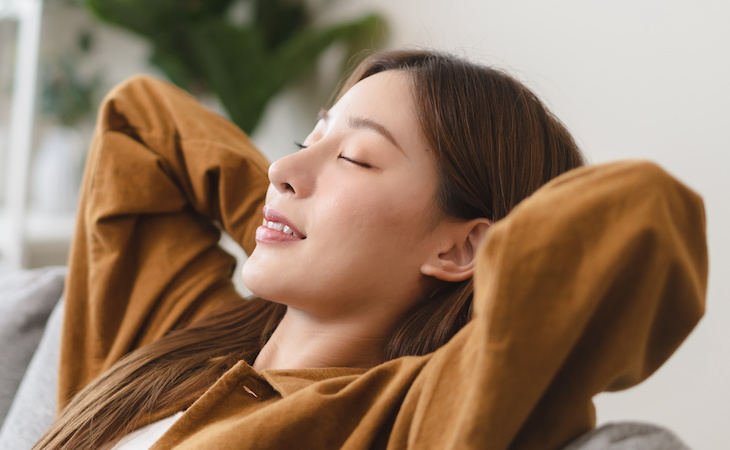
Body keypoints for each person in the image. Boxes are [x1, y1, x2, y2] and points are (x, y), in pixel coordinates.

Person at [35, 50, 707, 449]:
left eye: (356, 159)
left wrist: (306, 229)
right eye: (307, 142)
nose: (281, 168)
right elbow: (139, 122)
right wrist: (284, 220)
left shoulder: (413, 412)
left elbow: (643, 213)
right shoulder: (179, 330)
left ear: (463, 247)